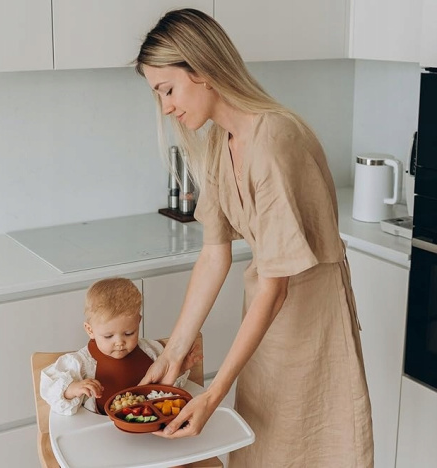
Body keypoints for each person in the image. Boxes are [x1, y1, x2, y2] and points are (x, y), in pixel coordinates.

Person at [134, 8, 374, 467]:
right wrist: (174, 353)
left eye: (168, 89)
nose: (165, 106)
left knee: (314, 448)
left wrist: (215, 394)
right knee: (262, 448)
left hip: (312, 326)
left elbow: (278, 285)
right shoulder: (220, 142)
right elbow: (213, 253)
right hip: (266, 327)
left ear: (201, 69)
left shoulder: (275, 140)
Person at [40, 277, 200, 416]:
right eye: (109, 336)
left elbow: (164, 390)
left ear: (139, 322)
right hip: (103, 437)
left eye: (129, 333)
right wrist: (73, 388)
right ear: (90, 330)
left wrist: (178, 369)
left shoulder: (152, 351)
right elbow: (50, 388)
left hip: (150, 430)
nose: (119, 342)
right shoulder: (80, 364)